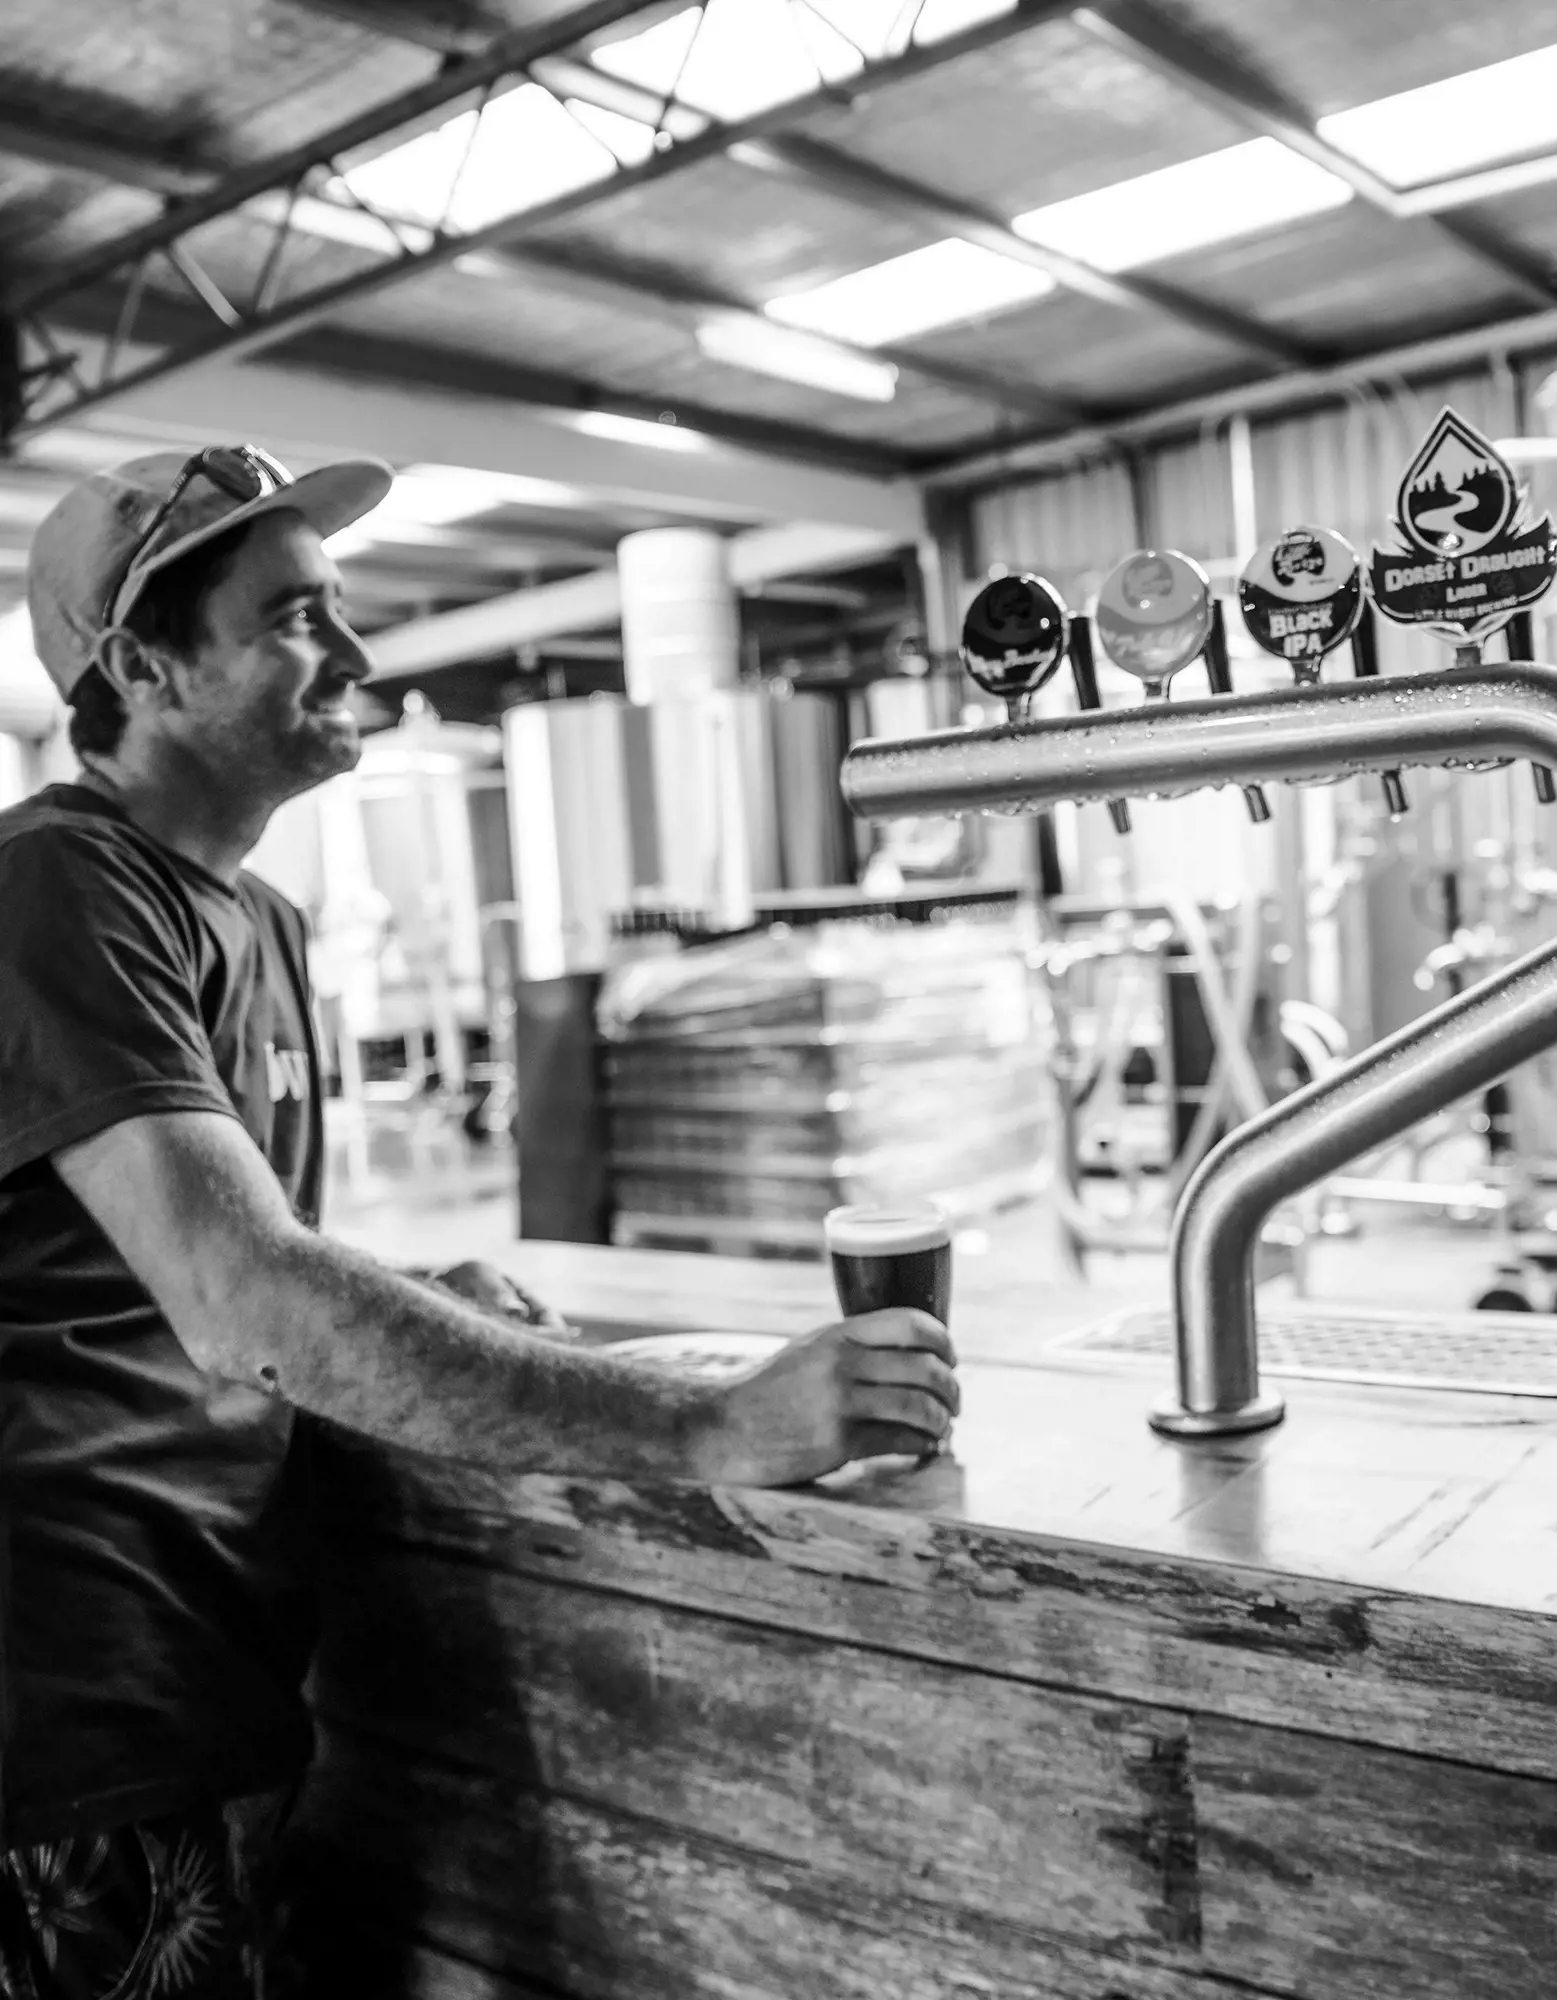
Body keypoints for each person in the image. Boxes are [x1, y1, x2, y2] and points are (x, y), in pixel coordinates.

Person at [0, 445, 959, 1995]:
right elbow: (245, 1303)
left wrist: (397, 1289)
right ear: (146, 665)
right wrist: (706, 1424)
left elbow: (175, 1264)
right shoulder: (53, 890)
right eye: (296, 618)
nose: (361, 653)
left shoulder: (253, 916)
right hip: (71, 1710)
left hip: (206, 1667)